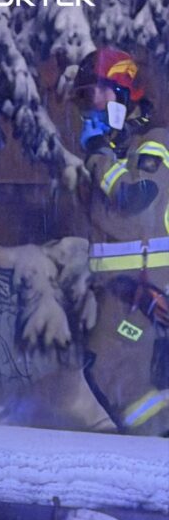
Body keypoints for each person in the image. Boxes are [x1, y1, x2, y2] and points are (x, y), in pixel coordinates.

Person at [74, 46, 169, 435]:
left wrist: (99, 156)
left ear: (123, 94)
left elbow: (136, 200)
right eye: (85, 95)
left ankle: (155, 447)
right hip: (117, 290)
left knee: (115, 372)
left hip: (143, 287)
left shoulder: (153, 142)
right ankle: (152, 444)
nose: (90, 104)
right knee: (108, 371)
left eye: (98, 91)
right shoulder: (115, 151)